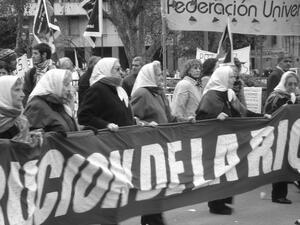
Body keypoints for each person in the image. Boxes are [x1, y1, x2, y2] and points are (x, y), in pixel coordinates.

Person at [196, 66, 266, 215]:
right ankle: (215, 204)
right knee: (218, 173)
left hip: (229, 141)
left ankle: (224, 200)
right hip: (215, 143)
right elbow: (200, 118)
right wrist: (215, 118)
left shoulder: (229, 94)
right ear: (222, 78)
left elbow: (243, 112)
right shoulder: (210, 96)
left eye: (234, 77)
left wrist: (261, 116)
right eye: (231, 77)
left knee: (229, 171)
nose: (234, 80)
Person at [131, 61, 173, 225]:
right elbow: (131, 119)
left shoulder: (159, 93)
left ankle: (152, 219)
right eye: (157, 74)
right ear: (149, 76)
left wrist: (187, 120)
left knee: (159, 185)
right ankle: (153, 220)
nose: (160, 76)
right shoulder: (141, 94)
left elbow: (169, 118)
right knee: (153, 185)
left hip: (162, 145)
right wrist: (147, 125)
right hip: (148, 147)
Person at [264, 71, 299, 205]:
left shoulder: (297, 95)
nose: (292, 86)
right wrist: (284, 108)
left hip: (295, 136)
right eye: (289, 84)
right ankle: (278, 195)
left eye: (295, 84)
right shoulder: (276, 96)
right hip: (280, 135)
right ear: (284, 83)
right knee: (281, 163)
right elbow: (268, 113)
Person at [78, 57, 134, 132]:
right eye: (117, 69)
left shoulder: (119, 89)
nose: (121, 72)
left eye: (121, 69)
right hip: (108, 140)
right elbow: (84, 116)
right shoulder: (97, 89)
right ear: (106, 70)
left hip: (124, 137)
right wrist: (106, 125)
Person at [0, 75, 42, 147]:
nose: (23, 94)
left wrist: (31, 137)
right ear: (4, 93)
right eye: (17, 90)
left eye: (21, 89)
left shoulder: (19, 116)